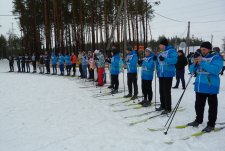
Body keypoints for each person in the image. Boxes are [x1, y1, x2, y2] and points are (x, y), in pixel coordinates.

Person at [187, 41, 223, 132]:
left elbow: (216, 70)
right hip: (199, 85)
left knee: (212, 106)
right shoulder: (200, 57)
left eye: (204, 49)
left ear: (209, 49)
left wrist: (202, 62)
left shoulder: (216, 57)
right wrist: (194, 63)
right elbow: (191, 71)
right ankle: (198, 120)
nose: (202, 51)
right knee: (198, 105)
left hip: (211, 85)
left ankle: (211, 124)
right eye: (201, 49)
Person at [156, 38, 178, 114]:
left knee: (166, 91)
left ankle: (168, 108)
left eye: (160, 45)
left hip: (168, 73)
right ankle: (163, 105)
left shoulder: (172, 51)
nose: (159, 46)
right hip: (161, 74)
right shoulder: (161, 52)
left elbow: (174, 60)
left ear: (164, 45)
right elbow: (159, 62)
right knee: (161, 90)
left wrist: (165, 59)